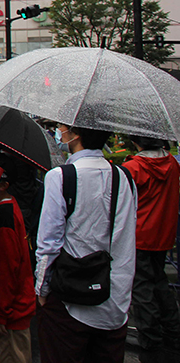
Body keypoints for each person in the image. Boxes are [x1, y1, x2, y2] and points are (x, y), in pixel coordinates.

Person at [35, 124, 137, 363]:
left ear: (75, 134)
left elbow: (49, 243)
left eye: (62, 128)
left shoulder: (60, 177)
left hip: (70, 300)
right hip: (115, 300)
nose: (60, 133)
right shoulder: (125, 178)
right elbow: (127, 233)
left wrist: (42, 289)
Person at [122, 136, 180, 362]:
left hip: (138, 235)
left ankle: (150, 336)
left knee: (142, 287)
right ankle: (173, 330)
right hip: (162, 234)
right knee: (159, 281)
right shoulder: (172, 164)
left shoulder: (134, 167)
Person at [0, 152, 35, 363]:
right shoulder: (1, 208)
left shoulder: (4, 215)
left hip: (7, 315)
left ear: (4, 186)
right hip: (3, 310)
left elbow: (5, 267)